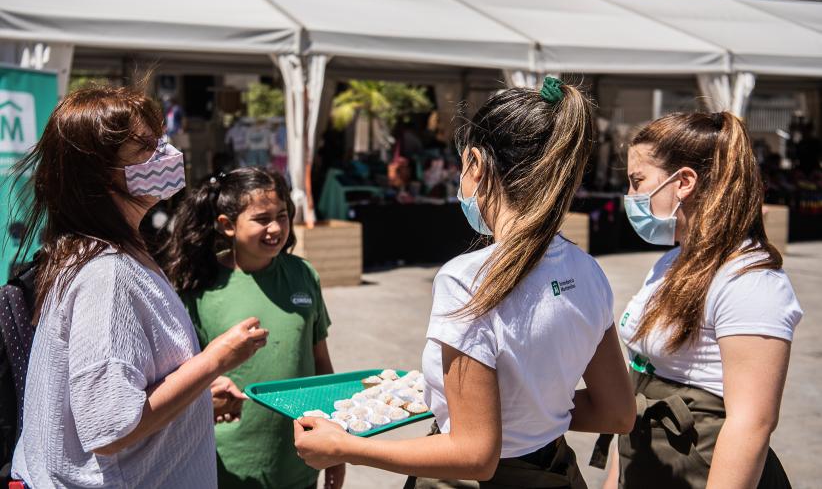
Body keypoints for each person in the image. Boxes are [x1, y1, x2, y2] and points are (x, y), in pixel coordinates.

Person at [292, 77, 636, 488]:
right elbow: (617, 411)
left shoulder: (467, 279)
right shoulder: (587, 271)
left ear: (476, 163)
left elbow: (474, 455)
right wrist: (535, 408)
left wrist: (346, 447)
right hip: (557, 471)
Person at [8, 86, 268, 488]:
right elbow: (112, 426)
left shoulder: (101, 251)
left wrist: (196, 390)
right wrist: (214, 360)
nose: (166, 153)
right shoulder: (106, 273)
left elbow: (130, 380)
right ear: (99, 174)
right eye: (146, 146)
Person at [603, 111, 803, 488]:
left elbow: (751, 425)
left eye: (637, 181)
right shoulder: (671, 261)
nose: (630, 197)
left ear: (684, 183)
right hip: (650, 466)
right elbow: (640, 385)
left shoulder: (751, 280)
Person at [161, 167, 344, 489]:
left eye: (283, 216)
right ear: (227, 225)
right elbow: (180, 376)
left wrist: (336, 444)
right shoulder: (198, 288)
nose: (275, 228)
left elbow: (321, 367)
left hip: (299, 460)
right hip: (228, 463)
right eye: (261, 219)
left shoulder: (303, 275)